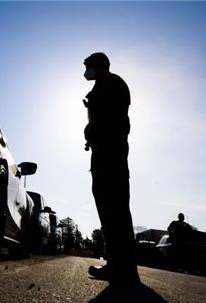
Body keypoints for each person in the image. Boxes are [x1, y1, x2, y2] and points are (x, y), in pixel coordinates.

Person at [83, 52, 140, 285]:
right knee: (110, 207)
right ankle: (119, 266)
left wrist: (92, 124)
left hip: (110, 154)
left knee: (113, 206)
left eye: (88, 66)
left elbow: (112, 120)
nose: (86, 71)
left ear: (99, 65)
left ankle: (120, 267)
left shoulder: (112, 84)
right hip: (105, 152)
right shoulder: (103, 86)